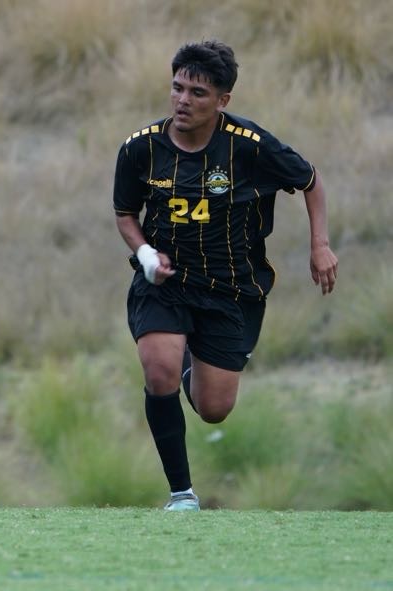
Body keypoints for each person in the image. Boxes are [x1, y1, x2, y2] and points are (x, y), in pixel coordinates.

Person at [113, 40, 338, 511]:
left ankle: (193, 354)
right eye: (177, 88)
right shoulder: (140, 149)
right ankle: (182, 495)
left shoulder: (250, 146)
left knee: (214, 409)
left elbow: (311, 181)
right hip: (165, 282)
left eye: (197, 92)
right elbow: (125, 213)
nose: (183, 100)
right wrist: (146, 254)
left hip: (233, 288)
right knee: (159, 372)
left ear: (222, 101)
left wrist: (319, 246)